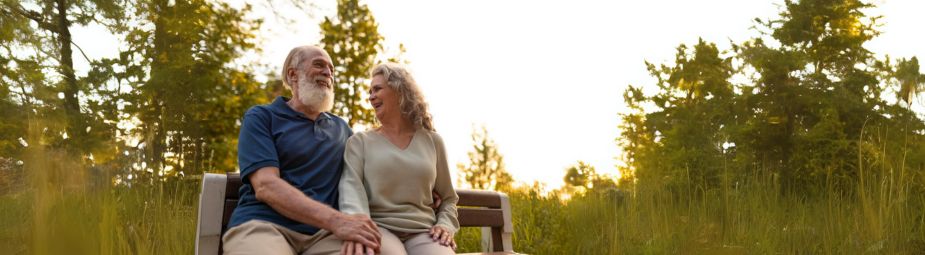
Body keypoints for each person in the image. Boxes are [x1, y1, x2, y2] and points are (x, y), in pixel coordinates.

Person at [222, 45, 382, 255]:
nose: (328, 73)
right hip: (263, 225)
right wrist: (337, 221)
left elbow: (370, 173)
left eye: (332, 70)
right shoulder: (261, 117)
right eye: (319, 65)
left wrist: (424, 188)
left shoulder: (342, 129)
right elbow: (266, 185)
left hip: (325, 235)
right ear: (292, 74)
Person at [337, 63, 459, 255]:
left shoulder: (433, 141)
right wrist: (359, 228)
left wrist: (445, 224)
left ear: (400, 90)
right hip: (379, 229)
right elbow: (351, 191)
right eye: (370, 91)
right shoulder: (359, 142)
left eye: (377, 89)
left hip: (425, 232)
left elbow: (448, 198)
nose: (371, 96)